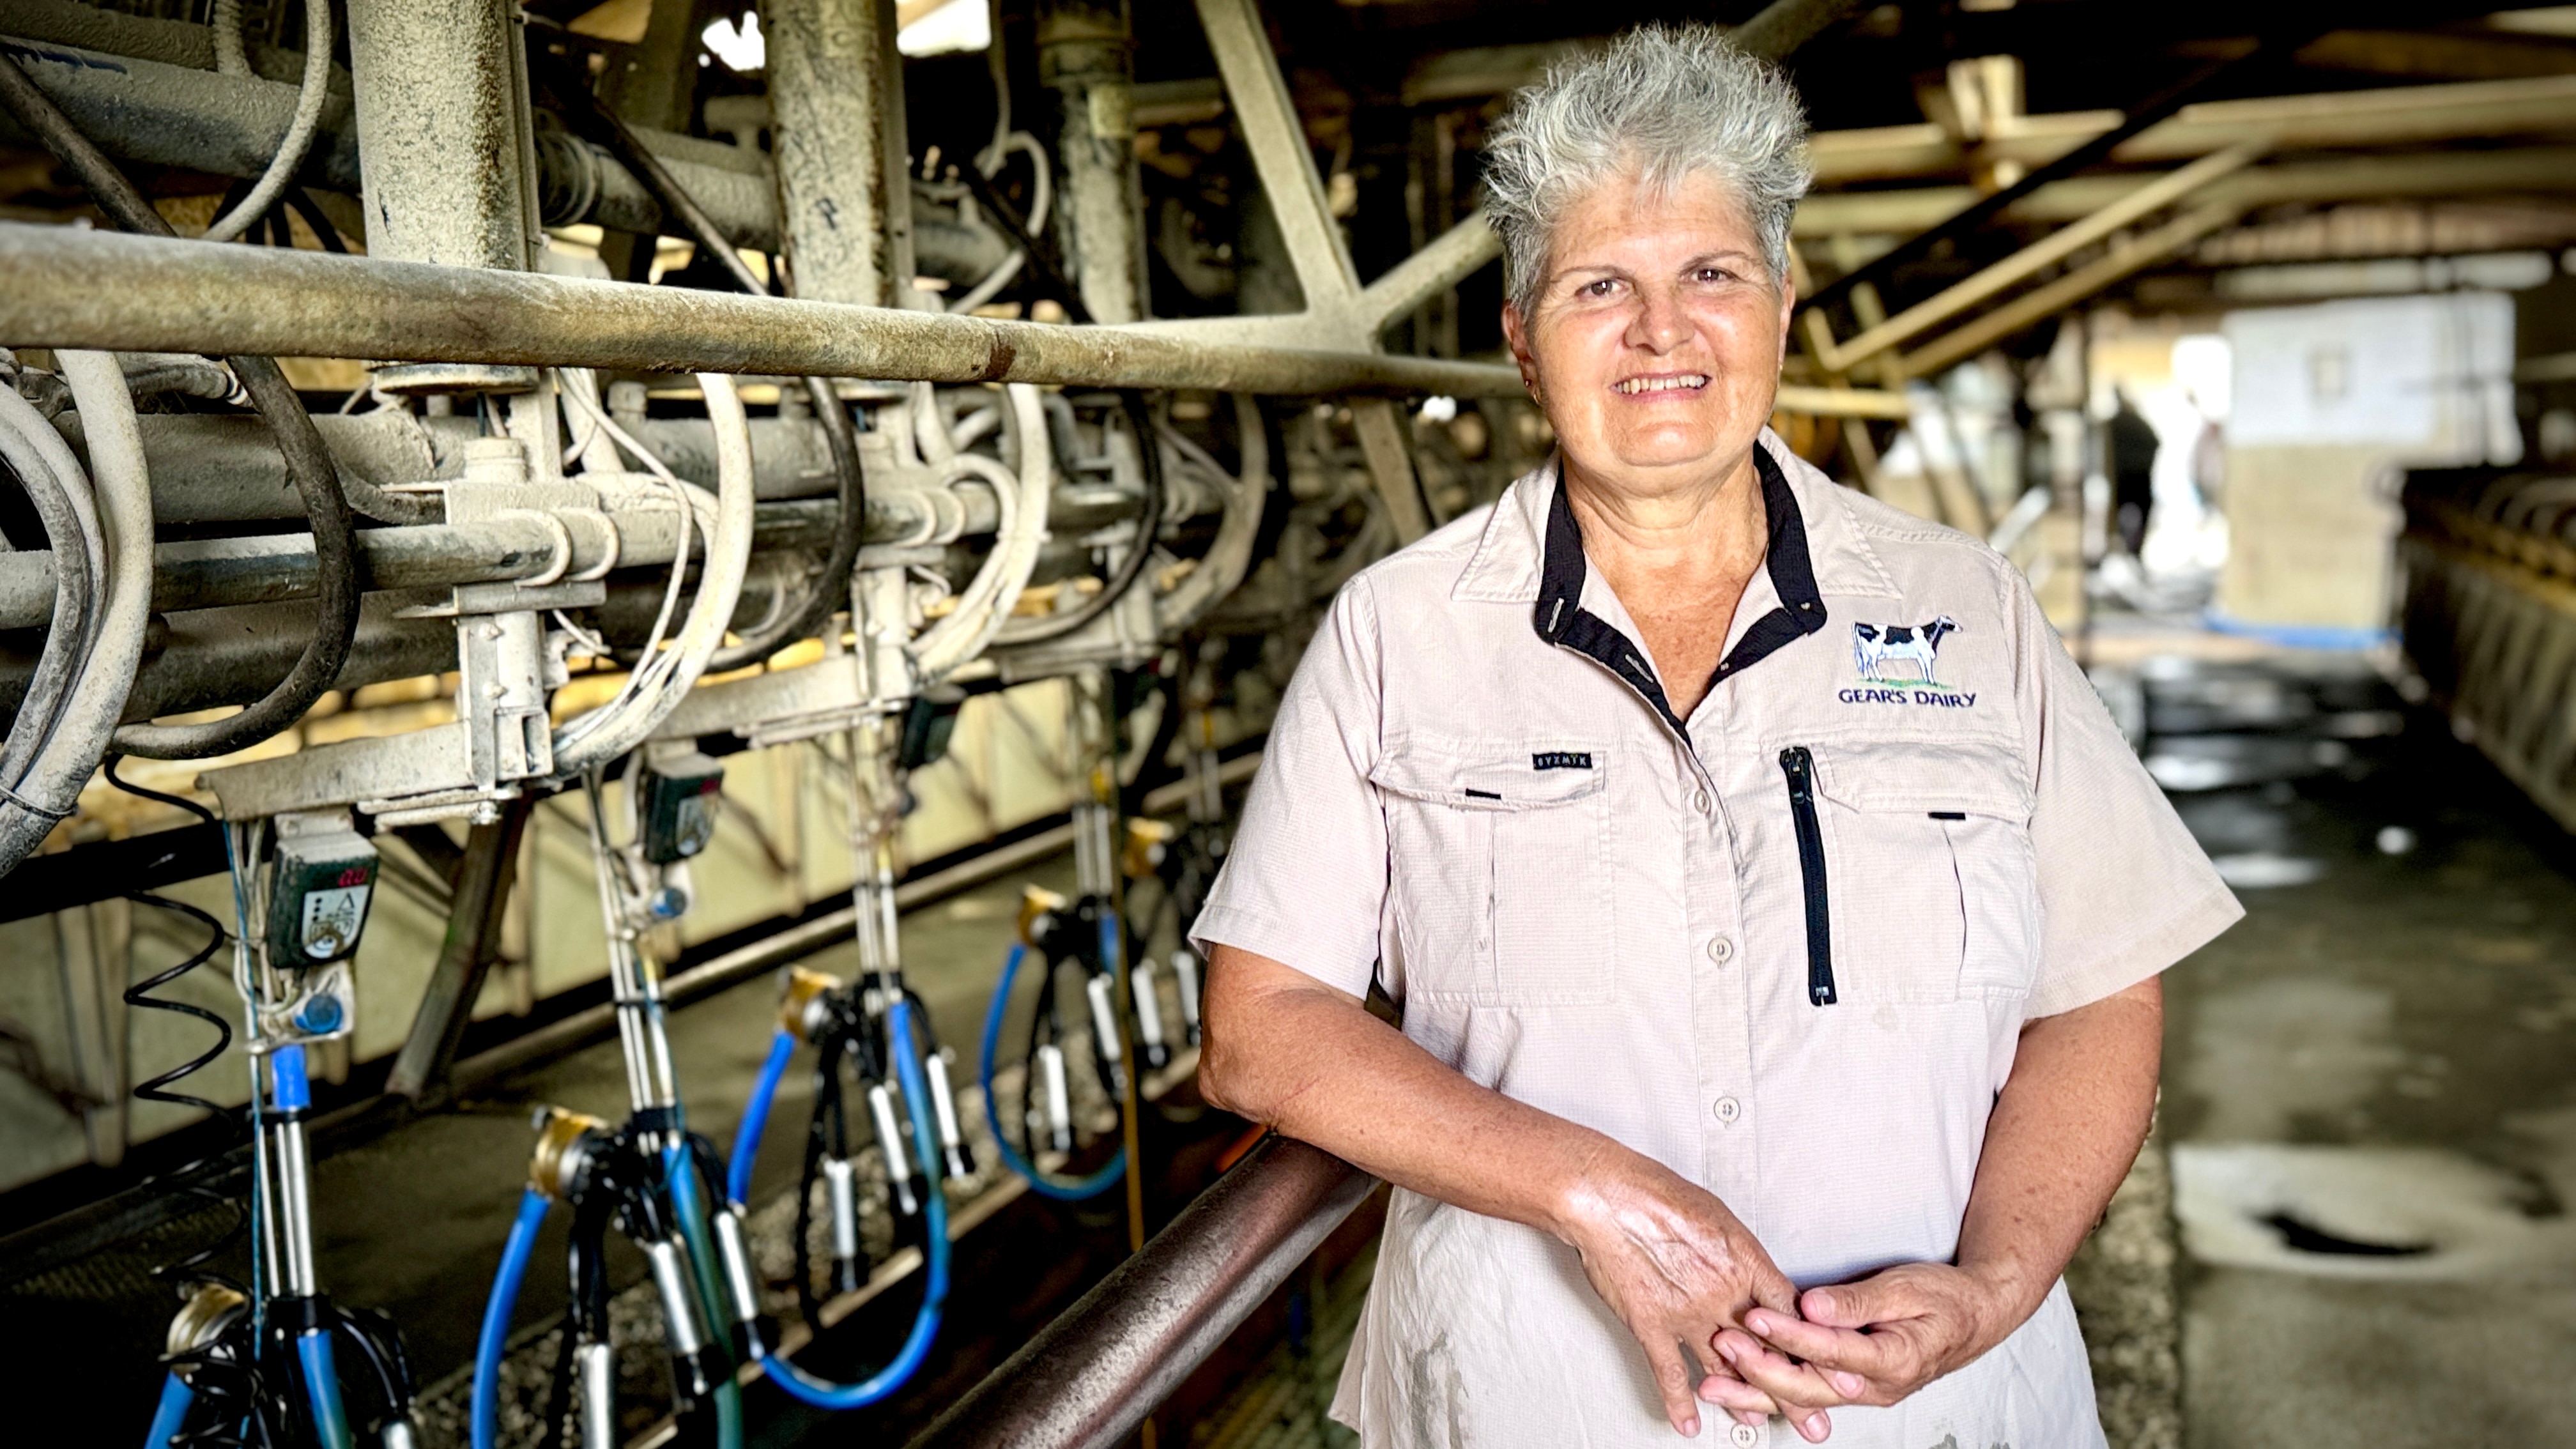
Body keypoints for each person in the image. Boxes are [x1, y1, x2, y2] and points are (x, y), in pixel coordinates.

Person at [1190, 25, 2241, 1449]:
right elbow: (1263, 1031)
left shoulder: (1964, 612)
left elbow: (2102, 991)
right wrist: (1585, 1186)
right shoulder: (1402, 635)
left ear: (1784, 301)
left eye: (1711, 275)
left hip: (1931, 1417)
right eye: (1598, 286)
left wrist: (1992, 1289)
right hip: (1539, 1410)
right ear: (1520, 333)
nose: (1661, 331)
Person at [2108, 388, 2160, 558]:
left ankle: (2130, 551)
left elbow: (2155, 443)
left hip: (2125, 479)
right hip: (2134, 478)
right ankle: (2132, 551)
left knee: (2123, 516)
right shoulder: (2121, 423)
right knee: (2137, 515)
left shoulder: (2115, 424)